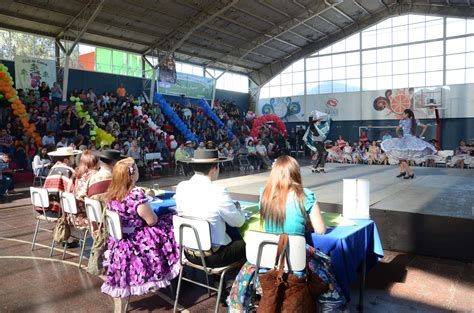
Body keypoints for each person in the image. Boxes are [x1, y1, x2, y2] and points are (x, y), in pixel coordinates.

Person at [227, 156, 345, 311]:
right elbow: (321, 230)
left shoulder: (265, 195)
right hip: (296, 271)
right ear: (296, 173)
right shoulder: (305, 196)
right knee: (327, 272)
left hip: (265, 269)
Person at [101, 157, 179, 298]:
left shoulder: (111, 194)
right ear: (132, 175)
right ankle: (176, 271)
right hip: (136, 241)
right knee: (173, 226)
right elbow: (151, 220)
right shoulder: (135, 195)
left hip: (120, 241)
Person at [175, 149, 246, 268]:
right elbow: (238, 222)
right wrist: (238, 209)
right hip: (213, 256)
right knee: (251, 244)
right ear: (214, 168)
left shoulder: (181, 187)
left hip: (188, 252)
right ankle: (236, 283)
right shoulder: (218, 191)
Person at [381, 109, 435, 179]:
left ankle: (410, 173)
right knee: (400, 155)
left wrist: (398, 135)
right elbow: (425, 127)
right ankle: (402, 171)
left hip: (406, 139)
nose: (402, 115)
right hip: (412, 139)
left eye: (403, 114)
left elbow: (397, 129)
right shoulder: (414, 121)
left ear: (407, 114)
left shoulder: (404, 121)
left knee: (400, 155)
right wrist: (420, 135)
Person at [39, 147, 80, 217]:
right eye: (72, 157)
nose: (74, 159)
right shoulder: (68, 171)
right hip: (59, 211)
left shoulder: (53, 168)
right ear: (66, 160)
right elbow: (73, 192)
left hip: (46, 208)